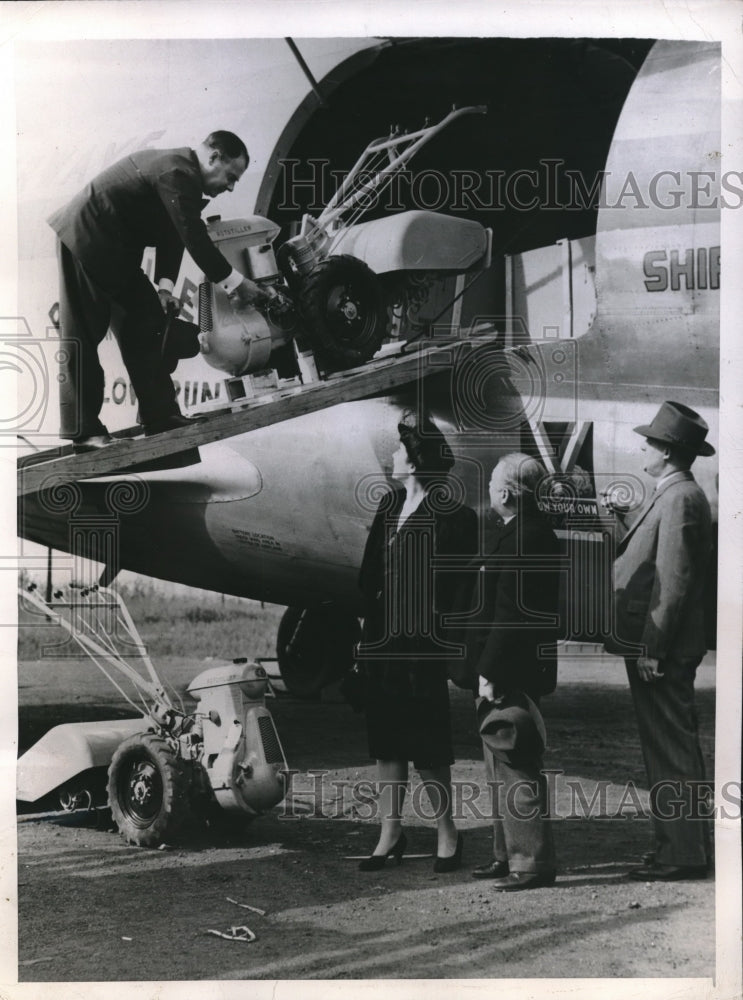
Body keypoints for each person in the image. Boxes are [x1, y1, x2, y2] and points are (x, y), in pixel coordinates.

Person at [49, 130, 271, 449]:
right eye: (231, 176)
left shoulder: (182, 176)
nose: (231, 186)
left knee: (147, 321)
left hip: (117, 249)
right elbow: (194, 237)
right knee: (82, 333)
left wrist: (165, 288)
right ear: (214, 158)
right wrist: (237, 283)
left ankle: (161, 415)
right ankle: (84, 432)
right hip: (87, 238)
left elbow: (173, 233)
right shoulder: (177, 171)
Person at [356, 410, 477, 872]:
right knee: (386, 741)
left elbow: (457, 590)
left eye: (399, 449)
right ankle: (390, 832)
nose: (391, 454)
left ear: (416, 459)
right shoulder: (388, 505)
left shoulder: (454, 517)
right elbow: (368, 572)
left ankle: (447, 832)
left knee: (426, 743)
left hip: (421, 645)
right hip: (383, 640)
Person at [603, 401, 715, 881]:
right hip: (661, 646)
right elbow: (653, 554)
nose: (642, 447)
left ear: (667, 452)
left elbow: (673, 580)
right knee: (667, 746)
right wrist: (618, 520)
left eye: (649, 442)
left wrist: (651, 647)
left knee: (670, 749)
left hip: (661, 650)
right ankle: (681, 846)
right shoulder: (673, 493)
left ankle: (683, 854)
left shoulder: (680, 498)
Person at [467, 453, 561, 892]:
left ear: (505, 494)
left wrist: (489, 671)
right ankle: (507, 854)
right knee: (499, 764)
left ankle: (529, 863)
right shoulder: (528, 533)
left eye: (491, 483)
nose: (487, 489)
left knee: (514, 762)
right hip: (512, 665)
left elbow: (509, 615)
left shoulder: (524, 537)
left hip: (510, 668)